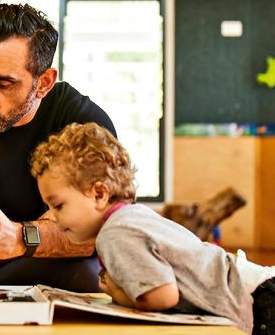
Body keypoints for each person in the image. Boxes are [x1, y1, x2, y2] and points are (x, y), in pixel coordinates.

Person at [0, 3, 115, 291]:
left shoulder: (84, 125)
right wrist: (44, 234)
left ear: (44, 83)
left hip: (53, 274)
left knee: (84, 273)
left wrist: (16, 237)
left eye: (4, 83)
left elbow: (99, 232)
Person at [30, 122, 275, 334]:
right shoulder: (131, 217)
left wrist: (118, 293)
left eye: (58, 205)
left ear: (99, 193)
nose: (50, 216)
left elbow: (163, 297)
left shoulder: (115, 233)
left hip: (261, 300)